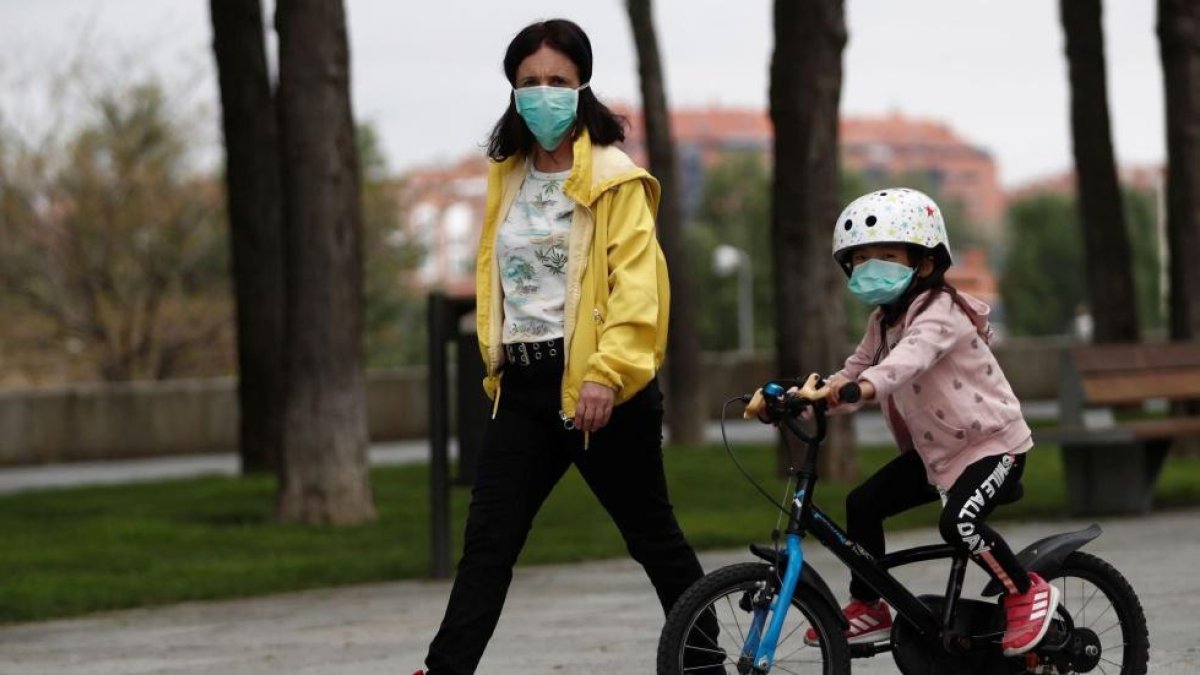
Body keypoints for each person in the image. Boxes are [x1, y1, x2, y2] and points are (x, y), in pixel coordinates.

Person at [415, 19, 711, 675]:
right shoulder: (508, 174)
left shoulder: (616, 180)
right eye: (530, 82)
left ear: (582, 88)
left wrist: (608, 373)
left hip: (600, 388)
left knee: (652, 537)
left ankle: (706, 663)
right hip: (522, 387)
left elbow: (638, 288)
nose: (543, 93)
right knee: (488, 544)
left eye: (557, 80)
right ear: (513, 91)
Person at [801, 188, 1059, 657]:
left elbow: (908, 361)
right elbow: (854, 371)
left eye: (887, 256)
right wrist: (804, 400)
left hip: (993, 447)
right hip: (937, 455)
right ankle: (869, 605)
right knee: (862, 504)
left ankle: (1025, 591)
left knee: (958, 523)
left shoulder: (941, 311)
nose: (871, 267)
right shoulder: (882, 321)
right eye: (861, 259)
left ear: (923, 263)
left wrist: (865, 387)